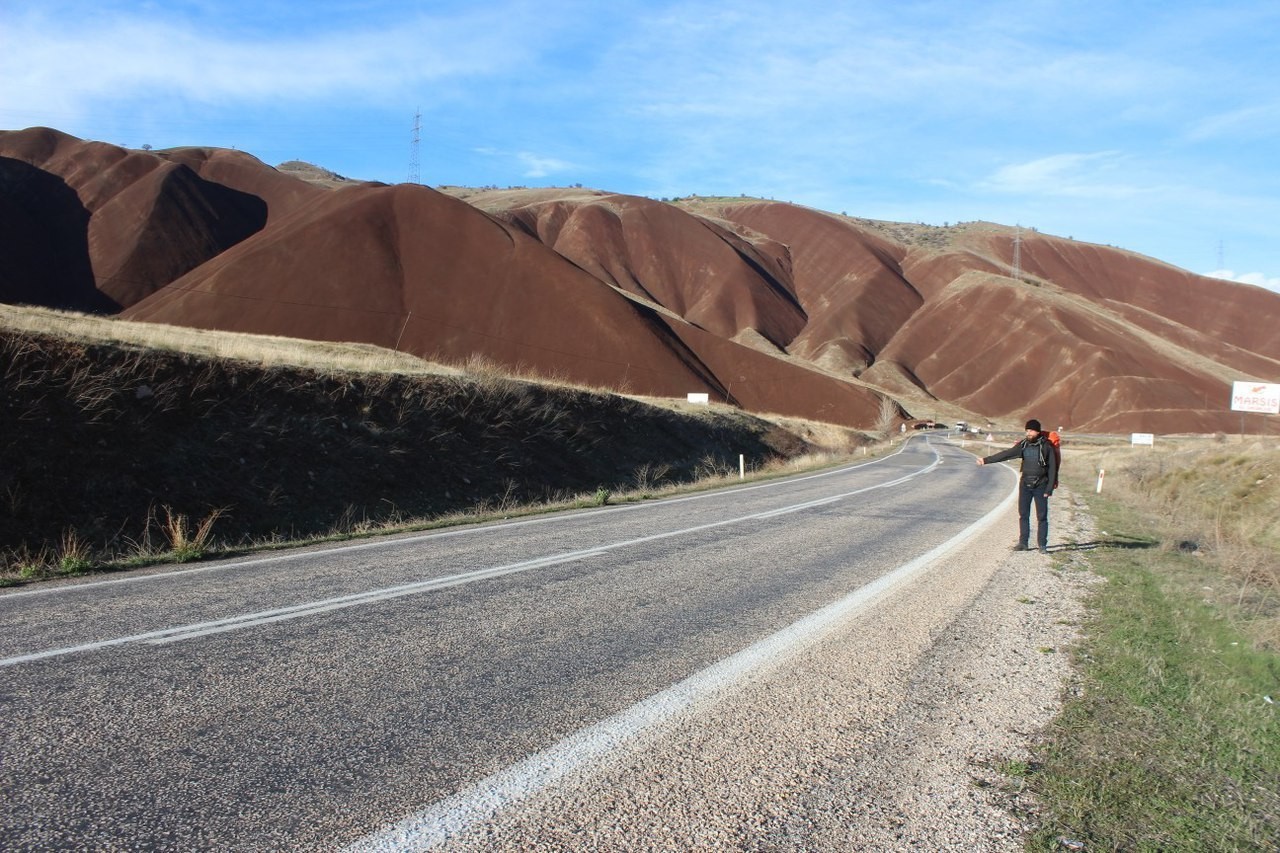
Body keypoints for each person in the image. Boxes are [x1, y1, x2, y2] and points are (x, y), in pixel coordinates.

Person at [977, 419, 1057, 553]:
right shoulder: (1024, 445)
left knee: (1042, 516)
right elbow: (1006, 454)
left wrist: (1049, 489)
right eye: (1027, 431)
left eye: (1031, 430)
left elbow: (1052, 469)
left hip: (1041, 486)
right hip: (1025, 484)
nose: (1028, 433)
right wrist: (986, 460)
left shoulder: (1047, 447)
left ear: (1037, 431)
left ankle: (1042, 545)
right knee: (1023, 514)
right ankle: (1023, 543)